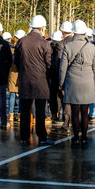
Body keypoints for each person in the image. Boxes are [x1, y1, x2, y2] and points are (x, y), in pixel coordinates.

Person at [59, 20, 95, 149]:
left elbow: (62, 68)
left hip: (72, 81)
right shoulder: (91, 46)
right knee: (85, 111)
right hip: (87, 81)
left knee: (75, 112)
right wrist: (93, 83)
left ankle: (76, 138)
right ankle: (85, 138)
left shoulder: (68, 46)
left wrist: (61, 83)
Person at [14, 15, 54, 146]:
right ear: (42, 28)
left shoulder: (21, 41)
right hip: (40, 81)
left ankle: (24, 138)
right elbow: (49, 63)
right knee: (40, 111)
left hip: (25, 80)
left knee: (25, 110)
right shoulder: (44, 43)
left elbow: (16, 60)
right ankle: (42, 137)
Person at [8, 30, 26, 123]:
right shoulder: (22, 48)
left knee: (12, 94)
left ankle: (11, 114)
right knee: (20, 95)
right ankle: (19, 114)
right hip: (21, 72)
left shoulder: (9, 47)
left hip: (12, 73)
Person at [60, 21, 74, 132]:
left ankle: (66, 124)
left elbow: (61, 66)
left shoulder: (62, 44)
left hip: (67, 77)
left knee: (67, 103)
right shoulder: (83, 43)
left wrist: (61, 82)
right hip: (80, 78)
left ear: (63, 31)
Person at [49, 30, 64, 122]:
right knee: (60, 96)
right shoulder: (61, 48)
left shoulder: (49, 47)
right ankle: (59, 113)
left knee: (52, 96)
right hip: (59, 75)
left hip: (51, 75)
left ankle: (54, 114)